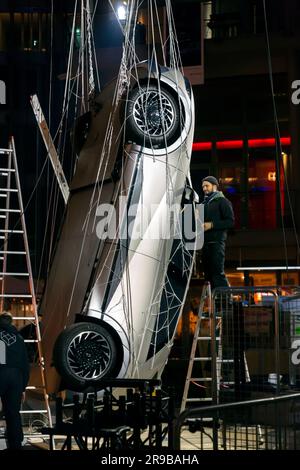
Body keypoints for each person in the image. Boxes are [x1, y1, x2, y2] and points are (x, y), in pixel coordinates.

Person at [0, 312, 30, 449]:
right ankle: (16, 444)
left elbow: (1, 359)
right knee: (13, 413)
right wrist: (23, 387)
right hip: (16, 377)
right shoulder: (19, 338)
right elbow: (25, 364)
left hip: (1, 372)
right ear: (11, 322)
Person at [201, 176, 234, 289]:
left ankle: (225, 303)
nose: (204, 188)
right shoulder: (204, 204)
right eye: (203, 186)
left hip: (216, 242)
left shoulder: (223, 201)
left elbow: (230, 222)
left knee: (217, 274)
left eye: (207, 186)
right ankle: (215, 303)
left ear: (214, 186)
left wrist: (212, 225)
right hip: (205, 244)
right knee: (208, 275)